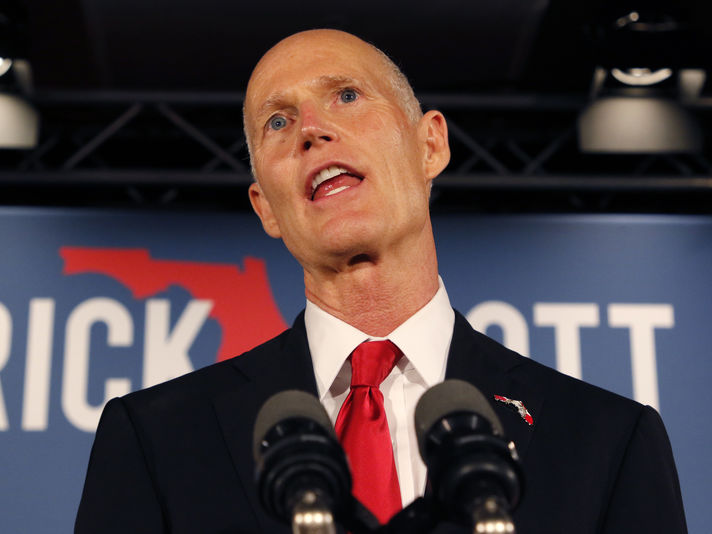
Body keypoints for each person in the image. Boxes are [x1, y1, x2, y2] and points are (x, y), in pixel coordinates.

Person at [75, 29, 686, 533]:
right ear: (265, 208)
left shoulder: (604, 440)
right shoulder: (158, 438)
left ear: (431, 146)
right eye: (279, 121)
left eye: (345, 96)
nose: (312, 129)